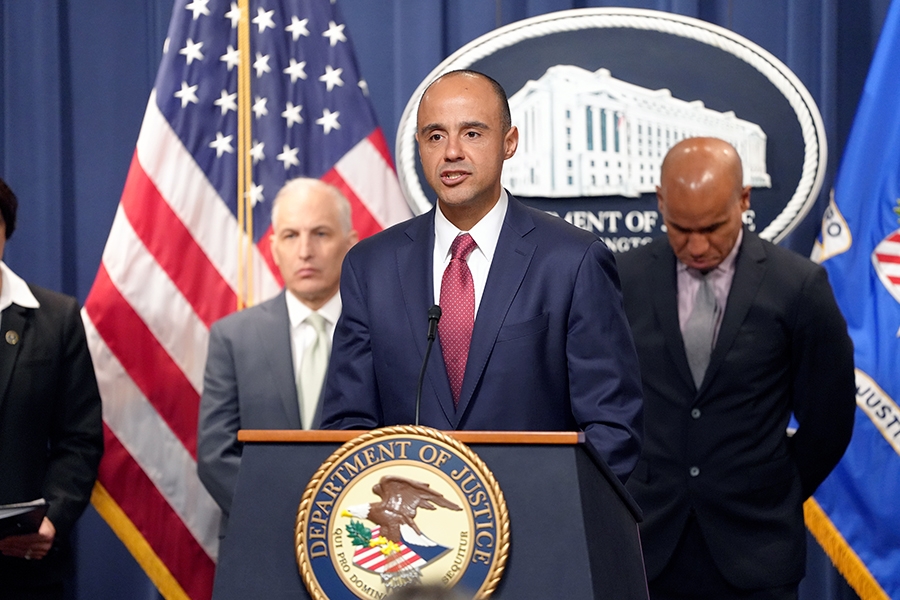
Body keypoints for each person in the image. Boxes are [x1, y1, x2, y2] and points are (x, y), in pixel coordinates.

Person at [320, 70, 643, 482]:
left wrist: (547, 516)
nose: (451, 151)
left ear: (509, 143)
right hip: (411, 532)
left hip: (537, 530)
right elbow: (349, 425)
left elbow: (612, 427)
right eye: (435, 136)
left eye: (472, 133)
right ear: (419, 146)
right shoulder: (370, 266)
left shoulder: (572, 260)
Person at [617, 137, 856, 600]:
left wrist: (772, 489)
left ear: (744, 200)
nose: (697, 245)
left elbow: (829, 421)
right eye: (680, 228)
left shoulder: (799, 286)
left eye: (713, 226)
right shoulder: (623, 278)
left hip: (757, 549)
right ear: (660, 203)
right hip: (647, 544)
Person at [197, 178, 357, 533]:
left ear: (350, 244)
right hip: (256, 540)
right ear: (273, 248)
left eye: (320, 234)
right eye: (290, 235)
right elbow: (215, 456)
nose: (304, 251)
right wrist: (293, 518)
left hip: (355, 542)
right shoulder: (233, 338)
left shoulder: (380, 337)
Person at [0, 177, 104, 599]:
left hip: (23, 569)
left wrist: (52, 518)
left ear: (6, 231)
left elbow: (79, 439)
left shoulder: (56, 319)